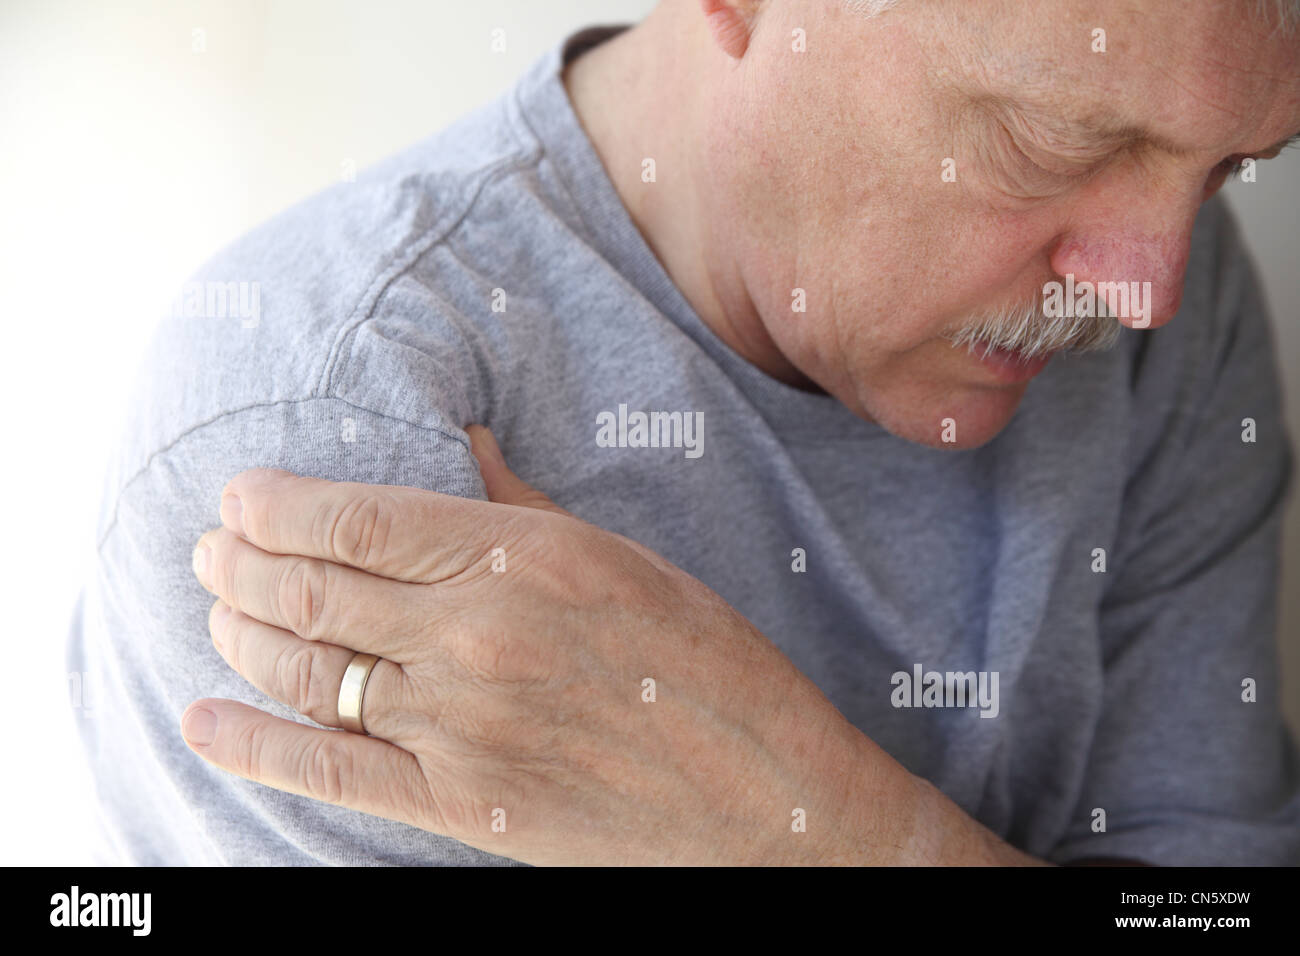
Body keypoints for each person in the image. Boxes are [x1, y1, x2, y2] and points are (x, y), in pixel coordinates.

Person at [69, 0, 1300, 865]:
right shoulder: (338, 418)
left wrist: (787, 823)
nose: (1149, 288)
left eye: (1228, 167)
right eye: (1058, 140)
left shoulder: (1162, 309)